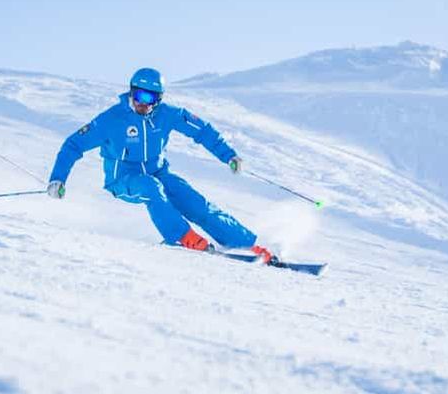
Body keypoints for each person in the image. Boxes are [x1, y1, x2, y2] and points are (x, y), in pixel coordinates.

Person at [46, 67, 276, 263]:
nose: (142, 103)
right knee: (150, 187)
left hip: (159, 173)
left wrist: (230, 156)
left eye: (150, 98)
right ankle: (181, 237)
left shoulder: (166, 115)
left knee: (196, 202)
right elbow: (73, 145)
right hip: (123, 180)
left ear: (159, 99)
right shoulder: (111, 120)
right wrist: (58, 179)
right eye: (138, 95)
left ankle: (245, 244)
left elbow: (202, 131)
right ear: (131, 91)